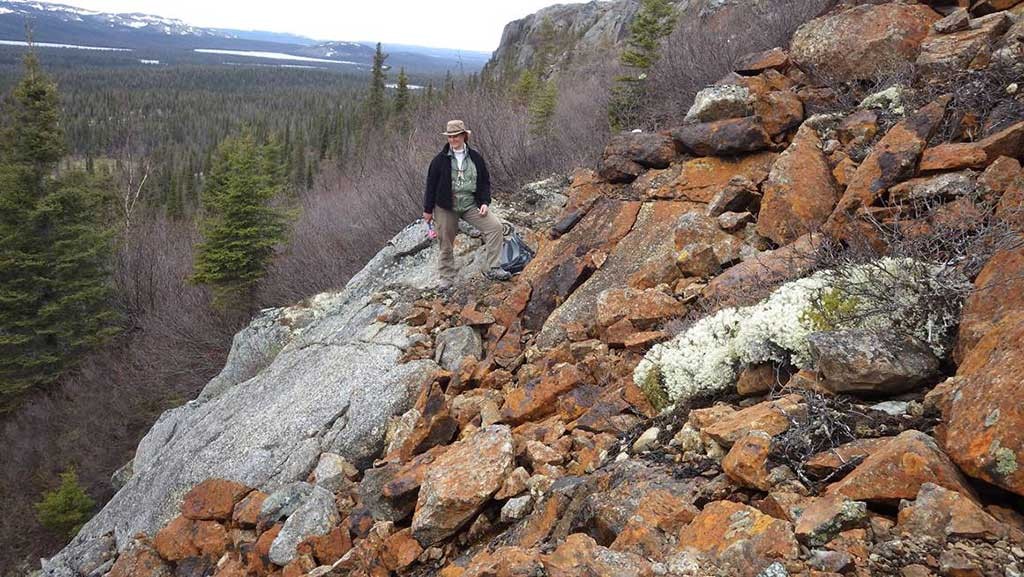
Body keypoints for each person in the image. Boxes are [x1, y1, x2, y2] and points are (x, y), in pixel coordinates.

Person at [423, 120, 511, 290]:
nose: (453, 139)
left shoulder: (476, 158)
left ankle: (493, 267)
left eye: (456, 136)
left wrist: (484, 202)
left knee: (495, 227)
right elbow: (430, 185)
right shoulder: (439, 161)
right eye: (450, 136)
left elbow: (485, 182)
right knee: (446, 241)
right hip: (446, 206)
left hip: (470, 204)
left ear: (464, 136)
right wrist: (428, 210)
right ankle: (446, 278)